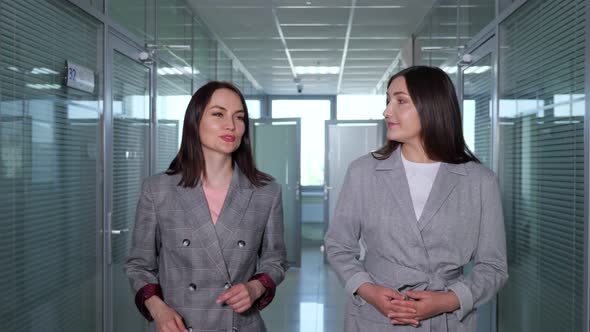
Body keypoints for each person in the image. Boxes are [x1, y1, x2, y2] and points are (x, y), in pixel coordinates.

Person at [324, 66, 508, 331]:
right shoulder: (364, 172)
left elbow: (493, 266)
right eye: (388, 101)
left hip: (447, 321)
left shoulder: (480, 181)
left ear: (431, 106)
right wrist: (368, 291)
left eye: (400, 101)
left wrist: (448, 300)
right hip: (376, 319)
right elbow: (338, 245)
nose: (387, 111)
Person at [125, 81, 288, 332]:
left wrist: (255, 288)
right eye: (218, 114)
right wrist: (159, 310)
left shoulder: (266, 191)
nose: (231, 126)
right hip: (178, 325)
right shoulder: (157, 190)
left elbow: (275, 261)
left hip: (239, 324)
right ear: (195, 120)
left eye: (239, 117)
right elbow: (139, 266)